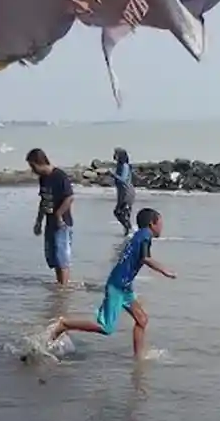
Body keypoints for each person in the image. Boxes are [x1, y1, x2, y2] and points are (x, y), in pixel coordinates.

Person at [48, 208, 176, 358]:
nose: (162, 227)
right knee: (106, 328)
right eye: (160, 223)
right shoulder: (145, 236)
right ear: (151, 224)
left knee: (142, 320)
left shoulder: (139, 236)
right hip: (117, 286)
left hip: (124, 286)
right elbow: (145, 258)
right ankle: (64, 324)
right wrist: (164, 270)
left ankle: (139, 357)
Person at [26, 148, 74, 284]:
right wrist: (38, 221)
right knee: (52, 258)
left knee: (62, 258)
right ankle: (60, 285)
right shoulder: (43, 179)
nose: (32, 170)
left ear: (39, 162)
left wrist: (59, 215)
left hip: (62, 223)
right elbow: (44, 200)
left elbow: (69, 197)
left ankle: (63, 290)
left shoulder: (59, 176)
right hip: (50, 221)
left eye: (32, 166)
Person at [110, 147, 136, 234]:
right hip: (122, 192)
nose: (114, 156)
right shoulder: (120, 166)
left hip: (127, 192)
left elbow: (124, 179)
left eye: (116, 154)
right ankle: (128, 230)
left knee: (121, 212)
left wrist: (113, 175)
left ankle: (129, 229)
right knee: (121, 212)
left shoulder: (124, 166)